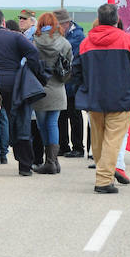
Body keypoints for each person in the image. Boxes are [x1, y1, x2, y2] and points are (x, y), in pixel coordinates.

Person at [72, 3, 130, 194]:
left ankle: (104, 172)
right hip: (121, 99)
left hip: (94, 99)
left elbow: (75, 71)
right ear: (117, 20)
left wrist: (84, 89)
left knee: (98, 140)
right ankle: (103, 180)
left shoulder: (85, 43)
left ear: (98, 20)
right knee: (112, 140)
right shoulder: (129, 41)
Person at [0, 8, 41, 176]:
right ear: (3, 22)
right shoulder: (15, 37)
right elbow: (33, 53)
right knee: (21, 123)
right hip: (14, 84)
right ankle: (25, 166)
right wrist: (32, 73)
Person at [31, 12, 73, 174]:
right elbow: (69, 65)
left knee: (42, 126)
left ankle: (51, 162)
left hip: (39, 89)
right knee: (53, 123)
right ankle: (53, 161)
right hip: (57, 88)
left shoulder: (34, 42)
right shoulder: (64, 42)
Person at [54, 8, 87, 158]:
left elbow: (70, 58)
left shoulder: (77, 37)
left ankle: (78, 147)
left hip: (73, 82)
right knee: (61, 115)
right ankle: (63, 145)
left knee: (74, 115)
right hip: (62, 82)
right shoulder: (63, 35)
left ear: (66, 23)